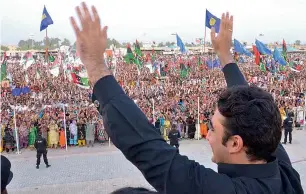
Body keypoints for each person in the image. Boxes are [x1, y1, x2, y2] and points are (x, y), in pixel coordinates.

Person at [70, 3, 303, 194]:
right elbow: (251, 105)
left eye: (213, 129)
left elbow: (151, 152)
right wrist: (225, 55)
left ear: (235, 144)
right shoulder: (280, 169)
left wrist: (95, 65)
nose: (207, 135)